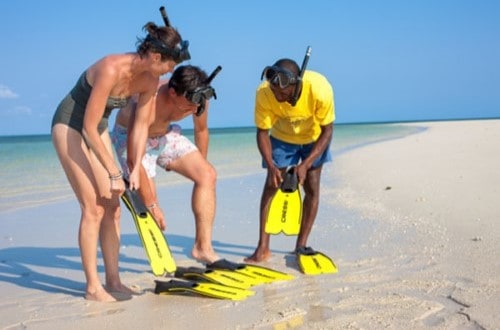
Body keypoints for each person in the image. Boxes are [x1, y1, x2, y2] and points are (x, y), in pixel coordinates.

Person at [51, 22, 190, 302]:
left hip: (97, 128)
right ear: (155, 57)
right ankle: (92, 287)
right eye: (169, 65)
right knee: (93, 207)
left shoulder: (150, 81)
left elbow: (140, 126)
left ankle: (113, 281)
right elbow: (88, 127)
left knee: (113, 206)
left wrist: (134, 166)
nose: (170, 72)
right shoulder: (110, 68)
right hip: (70, 125)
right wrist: (115, 171)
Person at [111, 65, 221, 264]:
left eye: (199, 102)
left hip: (165, 135)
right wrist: (152, 204)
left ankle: (202, 248)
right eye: (190, 103)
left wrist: (199, 165)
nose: (195, 109)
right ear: (172, 92)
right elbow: (134, 156)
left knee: (208, 175)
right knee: (152, 208)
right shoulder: (147, 100)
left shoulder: (199, 98)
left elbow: (201, 131)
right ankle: (160, 260)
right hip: (131, 140)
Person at [245, 58, 335, 262]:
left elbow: (328, 130)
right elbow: (262, 132)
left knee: (311, 187)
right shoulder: (264, 92)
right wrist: (270, 165)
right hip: (282, 138)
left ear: (297, 84)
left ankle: (301, 245)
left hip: (314, 138)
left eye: (283, 94)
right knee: (272, 185)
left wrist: (305, 164)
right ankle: (263, 247)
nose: (278, 97)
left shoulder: (320, 89)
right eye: (274, 91)